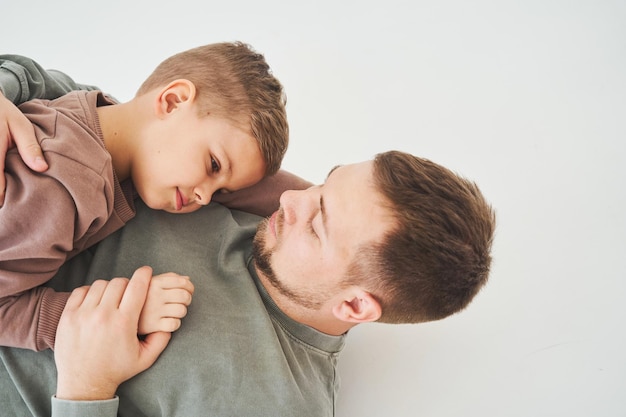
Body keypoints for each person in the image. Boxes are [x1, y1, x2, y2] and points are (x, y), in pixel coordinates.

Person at [0, 60, 496, 417]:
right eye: (321, 184)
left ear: (355, 307)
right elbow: (100, 118)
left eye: (318, 221)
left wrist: (86, 390)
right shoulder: (220, 191)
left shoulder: (278, 402)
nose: (291, 201)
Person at [0, 42, 293, 351]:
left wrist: (327, 201)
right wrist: (124, 315)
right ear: (172, 101)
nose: (205, 197)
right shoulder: (64, 190)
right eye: (213, 165)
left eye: (221, 190)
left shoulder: (91, 113)